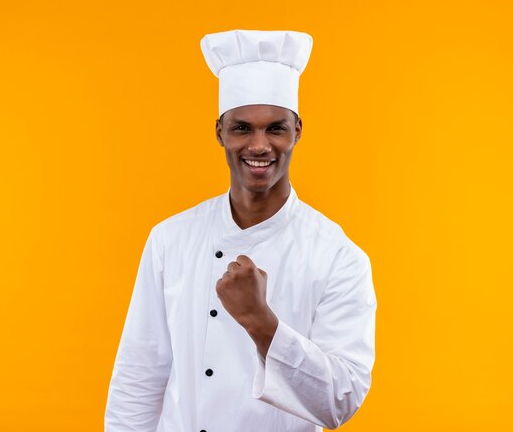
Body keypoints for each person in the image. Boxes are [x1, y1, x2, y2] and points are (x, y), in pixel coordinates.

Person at [104, 29, 377, 432]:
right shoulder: (171, 239)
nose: (260, 145)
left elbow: (339, 402)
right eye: (243, 128)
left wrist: (261, 321)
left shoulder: (338, 257)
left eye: (276, 128)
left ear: (297, 131)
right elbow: (140, 376)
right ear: (220, 132)